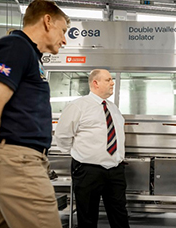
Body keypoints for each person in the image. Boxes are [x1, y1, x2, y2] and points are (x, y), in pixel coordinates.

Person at [0, 0, 70, 227]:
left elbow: (5, 123)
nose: (65, 40)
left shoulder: (28, 55)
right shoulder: (15, 47)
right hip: (20, 167)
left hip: (15, 163)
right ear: (47, 21)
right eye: (63, 31)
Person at [55, 69, 130, 228]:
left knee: (120, 215)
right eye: (108, 80)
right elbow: (62, 135)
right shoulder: (78, 106)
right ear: (95, 83)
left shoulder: (113, 108)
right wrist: (80, 155)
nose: (112, 83)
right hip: (88, 170)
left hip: (115, 170)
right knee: (87, 216)